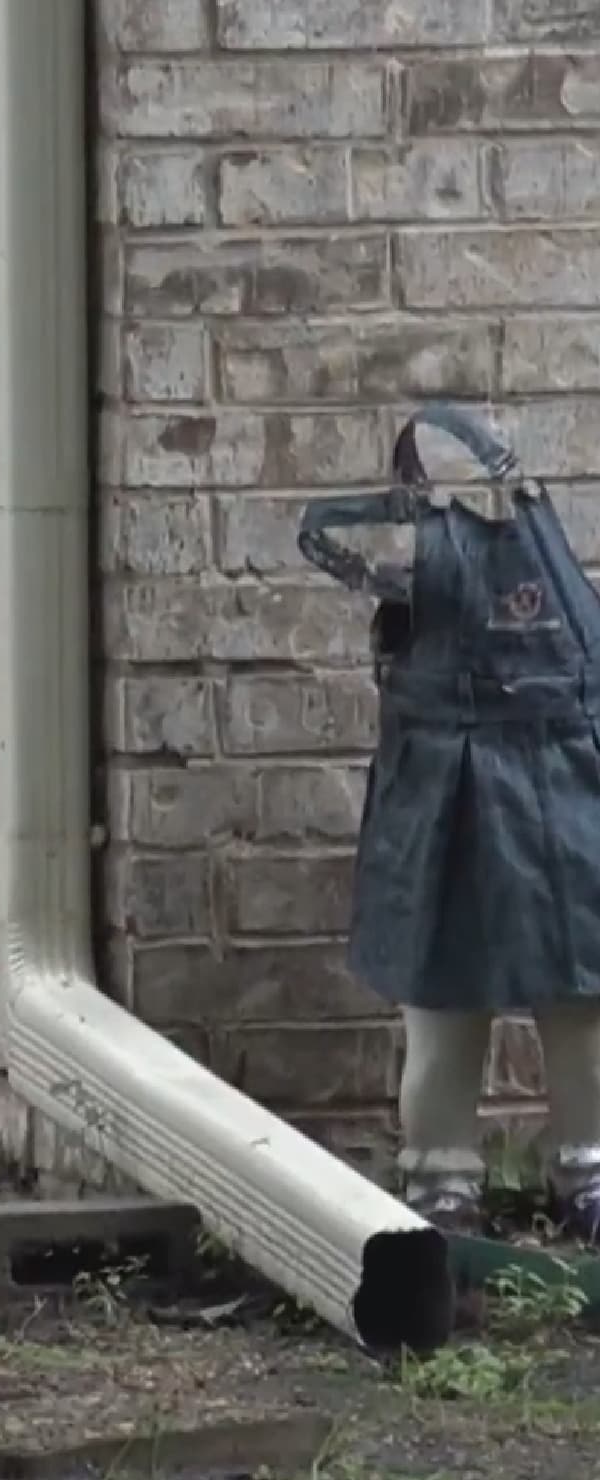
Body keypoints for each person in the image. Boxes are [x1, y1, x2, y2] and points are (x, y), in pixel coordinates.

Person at [300, 406, 600, 1238]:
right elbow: (318, 536)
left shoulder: (539, 521)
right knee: (443, 992)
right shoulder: (406, 544)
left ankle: (590, 1171)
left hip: (565, 776)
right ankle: (442, 1184)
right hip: (442, 788)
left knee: (582, 997)